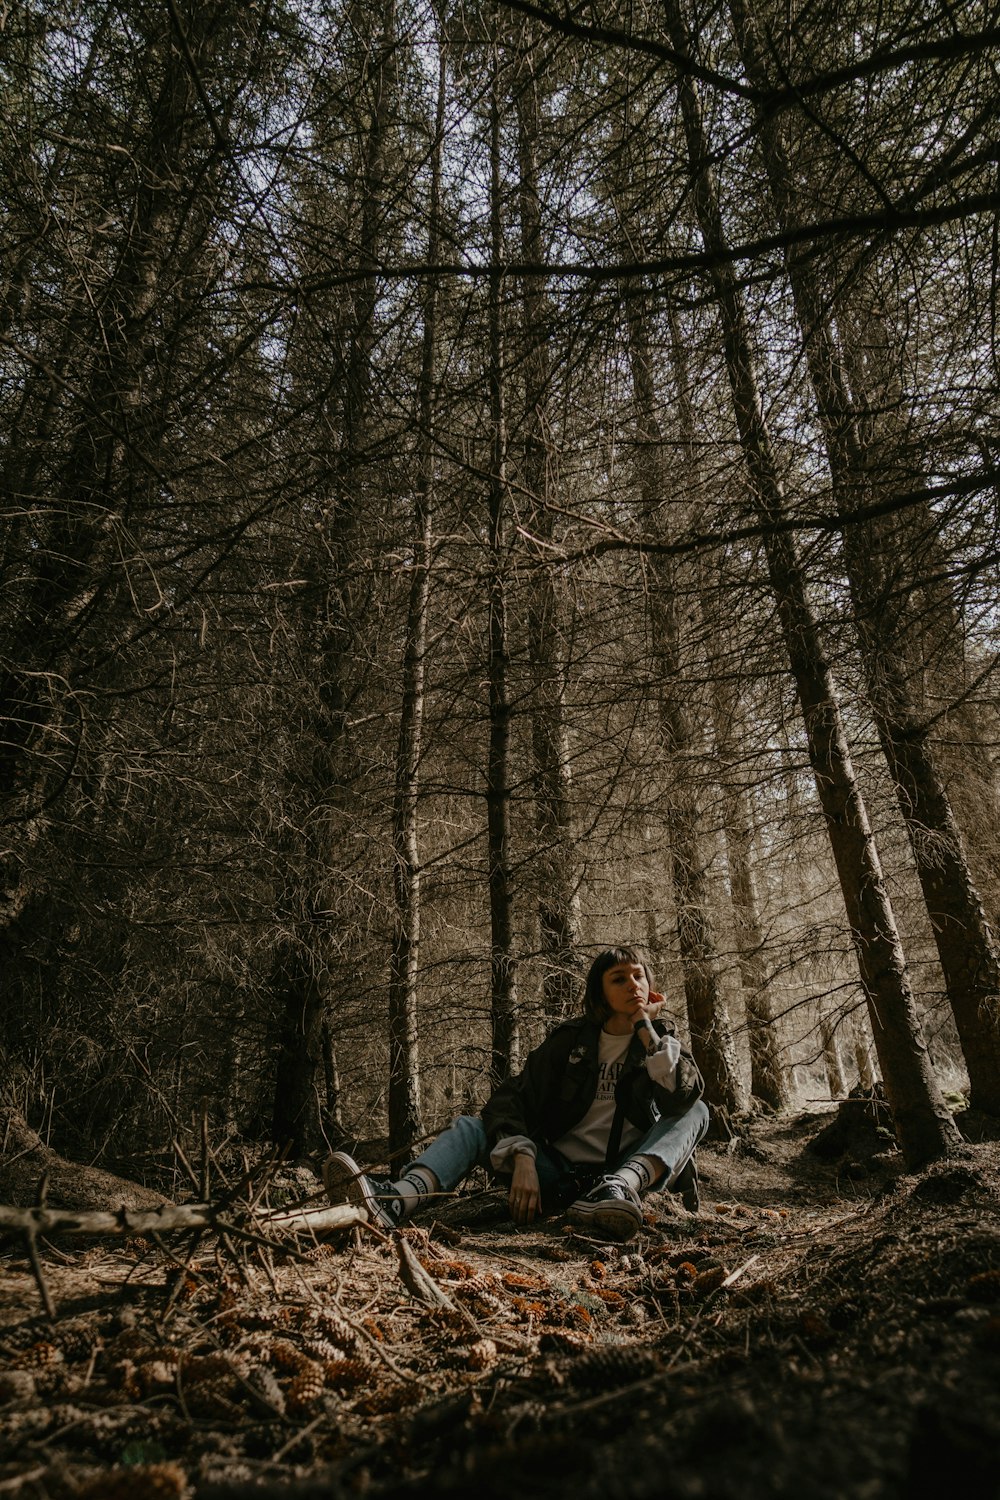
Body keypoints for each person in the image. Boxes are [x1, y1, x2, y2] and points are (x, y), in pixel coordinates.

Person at [323, 945, 709, 1242]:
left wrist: (647, 1030)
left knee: (698, 1111)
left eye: (639, 977)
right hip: (557, 1174)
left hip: (620, 1181)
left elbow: (682, 1100)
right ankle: (396, 1200)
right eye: (619, 978)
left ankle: (618, 1187)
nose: (632, 985)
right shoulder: (568, 1043)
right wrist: (522, 1152)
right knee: (470, 1127)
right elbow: (509, 1100)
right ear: (600, 992)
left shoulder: (664, 1045)